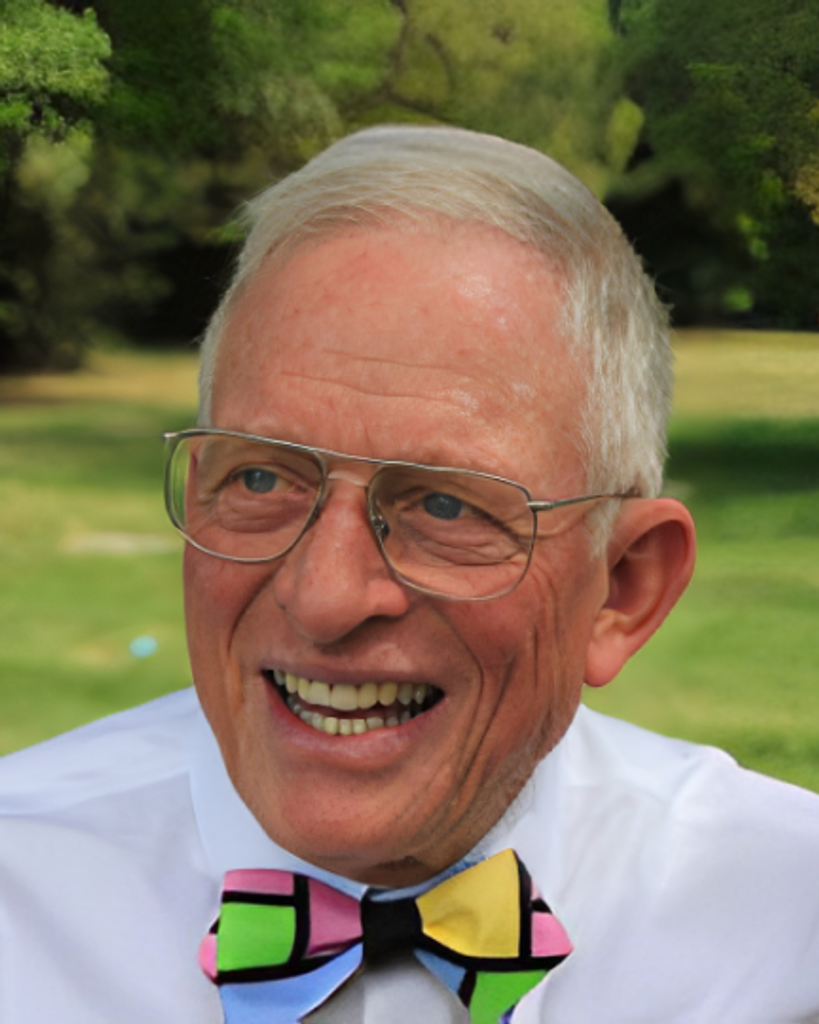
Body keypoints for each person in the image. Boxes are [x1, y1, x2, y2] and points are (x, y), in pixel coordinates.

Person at [1, 125, 818, 1024]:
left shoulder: (787, 923)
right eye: (261, 480)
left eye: (444, 505)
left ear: (621, 588)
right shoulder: (18, 894)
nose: (324, 598)